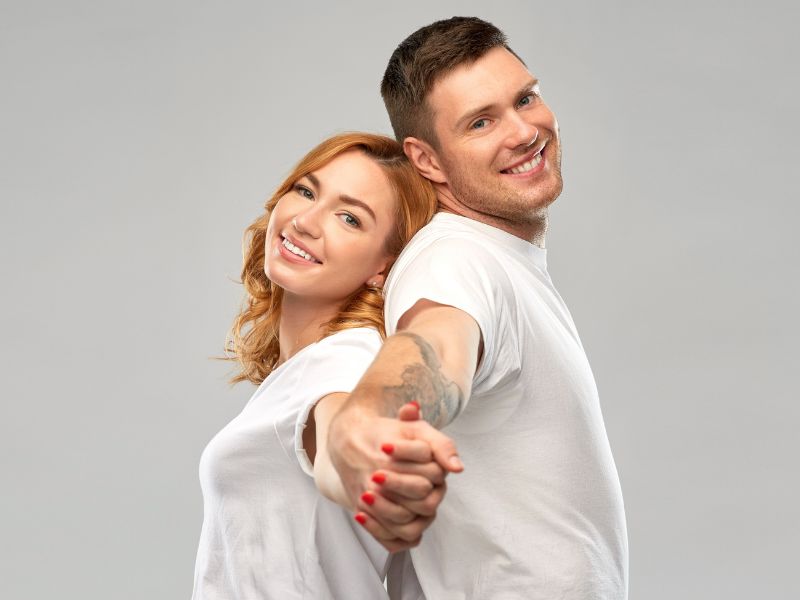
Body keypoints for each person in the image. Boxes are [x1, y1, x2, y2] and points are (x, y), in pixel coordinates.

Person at [325, 17, 630, 599]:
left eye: (526, 98)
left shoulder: (499, 256)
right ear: (428, 160)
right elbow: (436, 340)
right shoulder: (456, 259)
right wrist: (369, 424)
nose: (524, 131)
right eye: (481, 122)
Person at [190, 132, 447, 599]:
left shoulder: (345, 359)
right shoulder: (308, 364)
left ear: (383, 268)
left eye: (350, 218)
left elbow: (345, 429)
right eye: (306, 191)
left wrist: (368, 466)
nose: (306, 221)